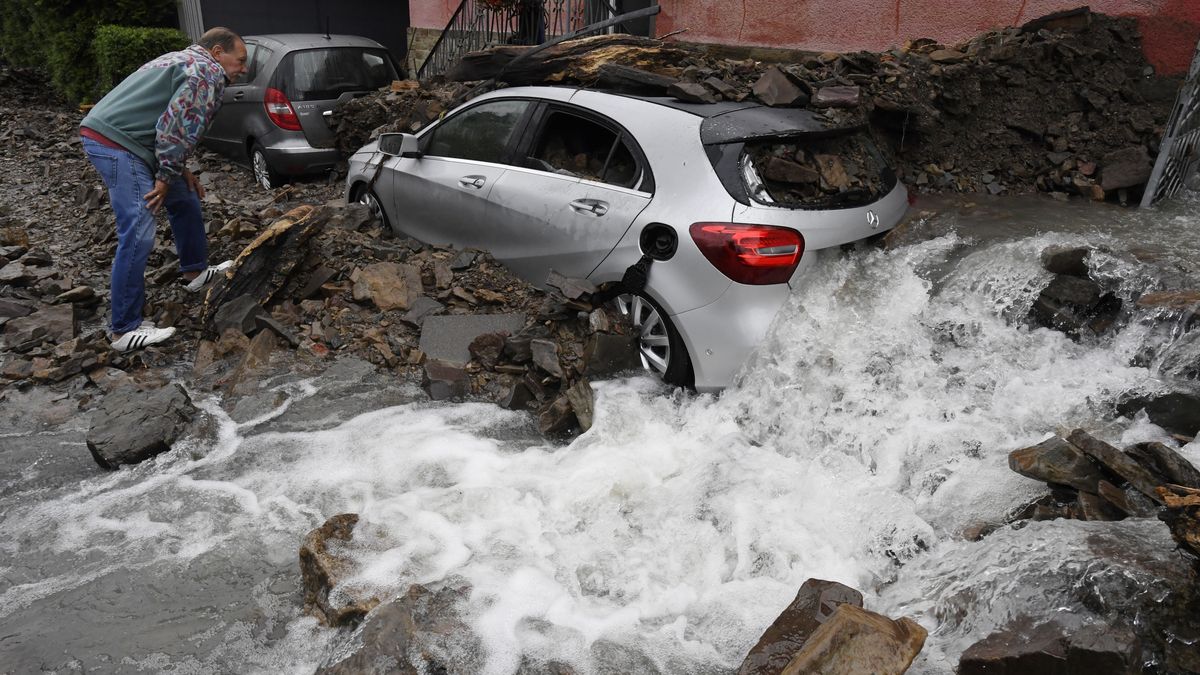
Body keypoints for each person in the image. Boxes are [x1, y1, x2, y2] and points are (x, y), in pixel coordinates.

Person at [80, 27, 248, 352]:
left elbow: (164, 118)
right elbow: (175, 129)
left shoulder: (182, 60)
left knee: (184, 196)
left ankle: (195, 272)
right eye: (240, 61)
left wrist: (177, 171)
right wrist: (165, 175)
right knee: (140, 228)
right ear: (217, 52)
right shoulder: (207, 72)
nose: (244, 69)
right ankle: (123, 330)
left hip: (117, 137)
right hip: (117, 144)